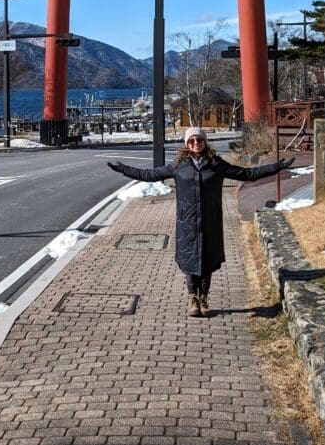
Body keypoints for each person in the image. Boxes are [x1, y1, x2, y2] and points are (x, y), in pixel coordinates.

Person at [107, 127, 294, 317]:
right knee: (190, 259)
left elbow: (247, 174)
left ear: (205, 142)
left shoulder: (216, 164)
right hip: (187, 221)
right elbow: (149, 175)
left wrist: (276, 167)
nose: (196, 143)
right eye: (191, 141)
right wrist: (124, 169)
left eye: (199, 140)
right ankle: (192, 299)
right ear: (186, 144)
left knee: (207, 259)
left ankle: (203, 298)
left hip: (210, 220)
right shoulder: (179, 165)